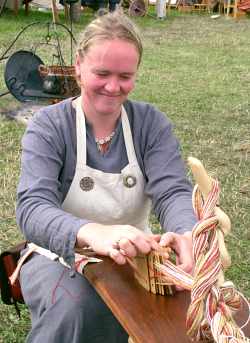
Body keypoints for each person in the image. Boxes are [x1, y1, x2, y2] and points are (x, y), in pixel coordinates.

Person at [16, 9, 197, 343]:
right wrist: (93, 233)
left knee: (192, 313)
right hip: (55, 253)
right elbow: (32, 208)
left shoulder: (149, 124)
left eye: (125, 76)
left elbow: (172, 190)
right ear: (79, 67)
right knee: (78, 309)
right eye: (102, 73)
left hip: (133, 256)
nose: (114, 87)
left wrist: (185, 231)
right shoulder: (50, 126)